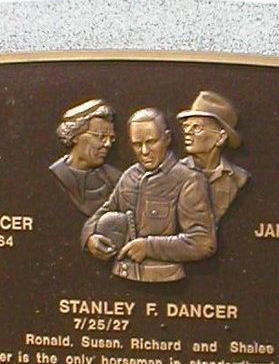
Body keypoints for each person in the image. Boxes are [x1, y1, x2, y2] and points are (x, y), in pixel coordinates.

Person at [82, 108, 216, 282]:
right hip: (121, 277)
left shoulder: (189, 180)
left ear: (167, 139)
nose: (144, 151)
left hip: (168, 284)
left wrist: (149, 247)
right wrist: (90, 238)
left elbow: (203, 242)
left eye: (151, 142)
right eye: (137, 144)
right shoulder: (129, 177)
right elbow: (104, 211)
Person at [177, 91, 249, 220]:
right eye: (186, 126)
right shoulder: (174, 175)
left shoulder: (238, 178)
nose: (187, 132)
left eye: (196, 127)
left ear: (221, 137)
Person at [49, 99, 120, 216]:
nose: (108, 144)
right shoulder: (56, 174)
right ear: (75, 136)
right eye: (101, 136)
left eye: (111, 138)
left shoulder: (116, 179)